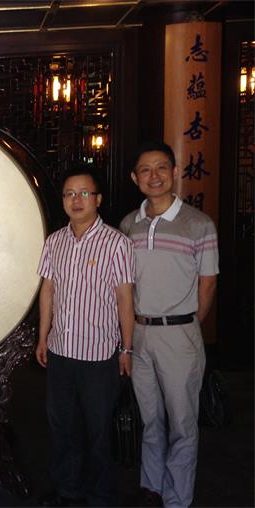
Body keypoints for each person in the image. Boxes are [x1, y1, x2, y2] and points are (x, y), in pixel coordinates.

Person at [120, 142, 218, 508]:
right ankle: (152, 488)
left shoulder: (199, 224)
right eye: (145, 170)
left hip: (179, 334)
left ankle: (177, 499)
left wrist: (185, 323)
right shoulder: (128, 224)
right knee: (150, 419)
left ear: (175, 172)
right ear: (135, 177)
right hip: (139, 333)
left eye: (161, 167)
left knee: (182, 423)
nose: (154, 176)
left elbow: (208, 284)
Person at [35, 164, 135, 507]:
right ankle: (69, 490)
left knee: (98, 430)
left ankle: (100, 495)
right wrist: (43, 337)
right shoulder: (55, 241)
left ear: (98, 199)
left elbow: (125, 299)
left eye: (84, 193)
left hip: (99, 355)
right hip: (61, 351)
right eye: (69, 194)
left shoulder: (117, 244)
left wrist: (126, 348)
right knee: (63, 426)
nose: (76, 200)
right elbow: (48, 290)